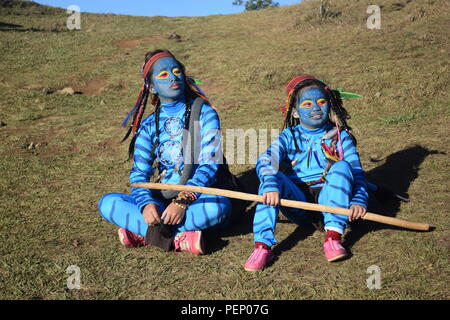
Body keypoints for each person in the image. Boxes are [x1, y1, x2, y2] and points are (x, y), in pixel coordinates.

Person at [98, 49, 232, 255]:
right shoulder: (148, 125)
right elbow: (139, 175)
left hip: (201, 197)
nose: (173, 76)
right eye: (163, 74)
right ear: (151, 87)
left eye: (177, 71)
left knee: (218, 207)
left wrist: (183, 201)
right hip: (162, 199)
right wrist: (146, 204)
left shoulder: (206, 113)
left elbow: (210, 164)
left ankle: (146, 234)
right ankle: (179, 238)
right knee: (107, 203)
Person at [244, 75, 369, 271]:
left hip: (333, 199)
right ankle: (262, 246)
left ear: (330, 104)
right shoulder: (288, 136)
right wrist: (269, 183)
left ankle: (333, 237)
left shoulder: (341, 136)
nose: (316, 108)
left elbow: (357, 173)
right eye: (307, 103)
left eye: (321, 102)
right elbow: (266, 159)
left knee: (343, 167)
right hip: (298, 202)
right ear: (294, 112)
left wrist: (359, 199)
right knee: (271, 178)